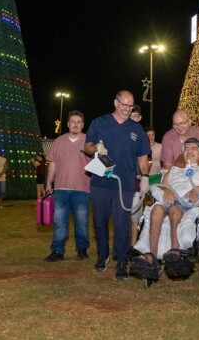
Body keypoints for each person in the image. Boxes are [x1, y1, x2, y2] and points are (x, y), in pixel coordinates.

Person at [84, 90, 151, 281]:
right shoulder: (100, 122)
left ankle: (121, 261)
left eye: (130, 106)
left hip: (125, 183)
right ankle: (103, 256)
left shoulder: (136, 129)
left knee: (122, 223)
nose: (126, 109)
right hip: (100, 182)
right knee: (99, 222)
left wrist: (145, 176)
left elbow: (143, 155)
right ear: (115, 102)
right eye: (124, 104)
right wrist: (95, 147)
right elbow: (86, 146)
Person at [131, 137, 199, 279]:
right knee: (156, 209)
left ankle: (175, 250)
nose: (189, 151)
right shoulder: (173, 171)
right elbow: (161, 187)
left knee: (174, 209)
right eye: (186, 148)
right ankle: (151, 256)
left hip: (191, 204)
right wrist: (167, 191)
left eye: (193, 148)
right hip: (170, 200)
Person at [44, 111, 92, 262]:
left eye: (79, 122)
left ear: (83, 125)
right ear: (68, 124)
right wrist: (48, 182)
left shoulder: (89, 142)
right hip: (61, 189)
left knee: (82, 221)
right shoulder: (59, 141)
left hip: (81, 189)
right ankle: (58, 250)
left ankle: (82, 249)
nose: (76, 124)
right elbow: (53, 163)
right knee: (59, 221)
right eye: (73, 121)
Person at [130, 126, 162, 245]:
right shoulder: (141, 147)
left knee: (152, 206)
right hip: (142, 179)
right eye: (148, 135)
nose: (151, 137)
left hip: (156, 178)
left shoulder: (160, 147)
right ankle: (135, 241)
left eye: (152, 135)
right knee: (138, 210)